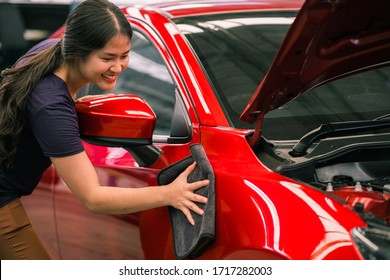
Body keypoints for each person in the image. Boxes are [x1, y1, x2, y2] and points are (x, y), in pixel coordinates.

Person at [0, 0, 208, 260]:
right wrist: (169, 194)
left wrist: (74, 106)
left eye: (125, 55)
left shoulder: (50, 52)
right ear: (76, 51)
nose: (118, 67)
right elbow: (93, 198)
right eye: (107, 58)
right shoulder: (51, 105)